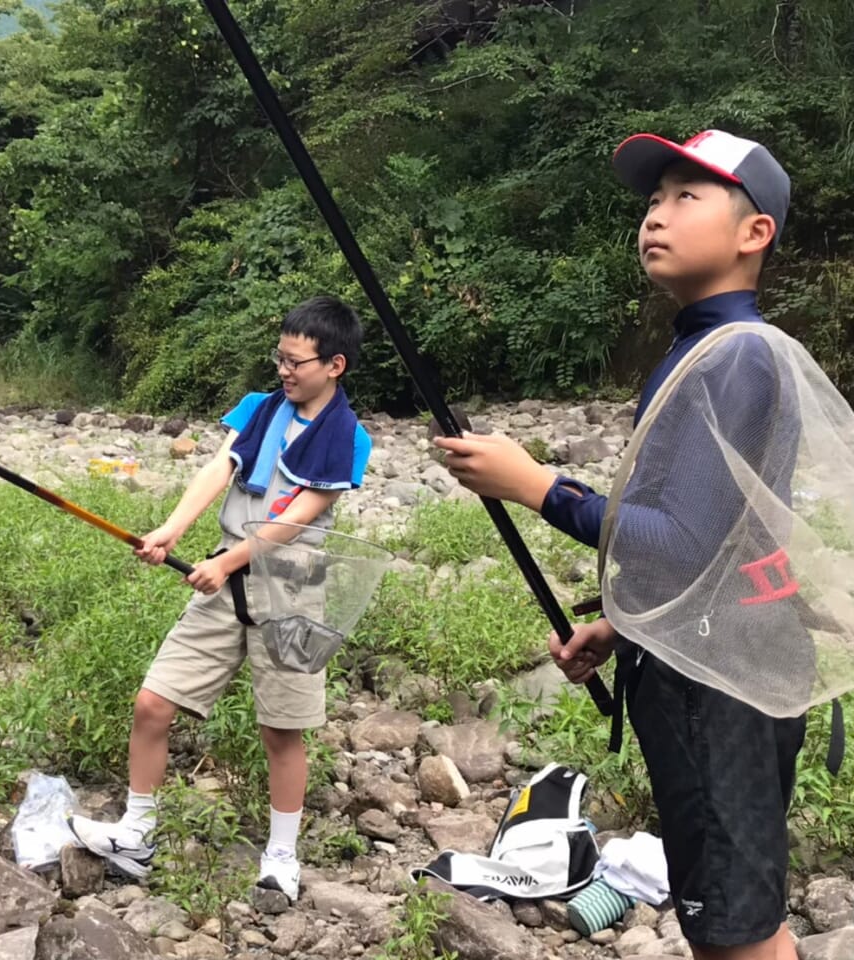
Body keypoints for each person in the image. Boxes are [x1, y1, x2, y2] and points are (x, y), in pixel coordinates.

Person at [435, 130, 803, 959]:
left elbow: (680, 542)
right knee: (739, 917)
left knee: (735, 934)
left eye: (685, 197)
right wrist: (628, 621)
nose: (656, 215)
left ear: (755, 233)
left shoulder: (734, 357)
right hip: (716, 660)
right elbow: (726, 544)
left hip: (720, 690)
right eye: (653, 199)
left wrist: (539, 486)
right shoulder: (705, 345)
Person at [69, 295, 372, 903]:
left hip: (291, 591)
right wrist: (171, 531)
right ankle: (137, 832)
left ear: (334, 365)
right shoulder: (260, 409)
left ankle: (281, 857)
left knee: (281, 731)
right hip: (225, 572)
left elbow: (299, 515)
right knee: (152, 703)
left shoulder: (349, 437)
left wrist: (226, 563)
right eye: (279, 358)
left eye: (296, 362)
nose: (284, 371)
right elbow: (217, 469)